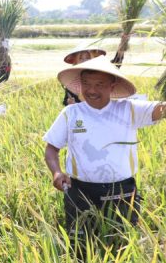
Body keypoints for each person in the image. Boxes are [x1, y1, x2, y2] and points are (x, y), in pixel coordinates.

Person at [43, 56, 165, 248]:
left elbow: (160, 110)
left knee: (121, 245)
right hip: (80, 191)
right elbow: (51, 149)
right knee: (81, 247)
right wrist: (56, 172)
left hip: (122, 191)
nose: (92, 90)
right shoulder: (71, 114)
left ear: (112, 84)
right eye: (86, 84)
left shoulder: (129, 109)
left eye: (99, 84)